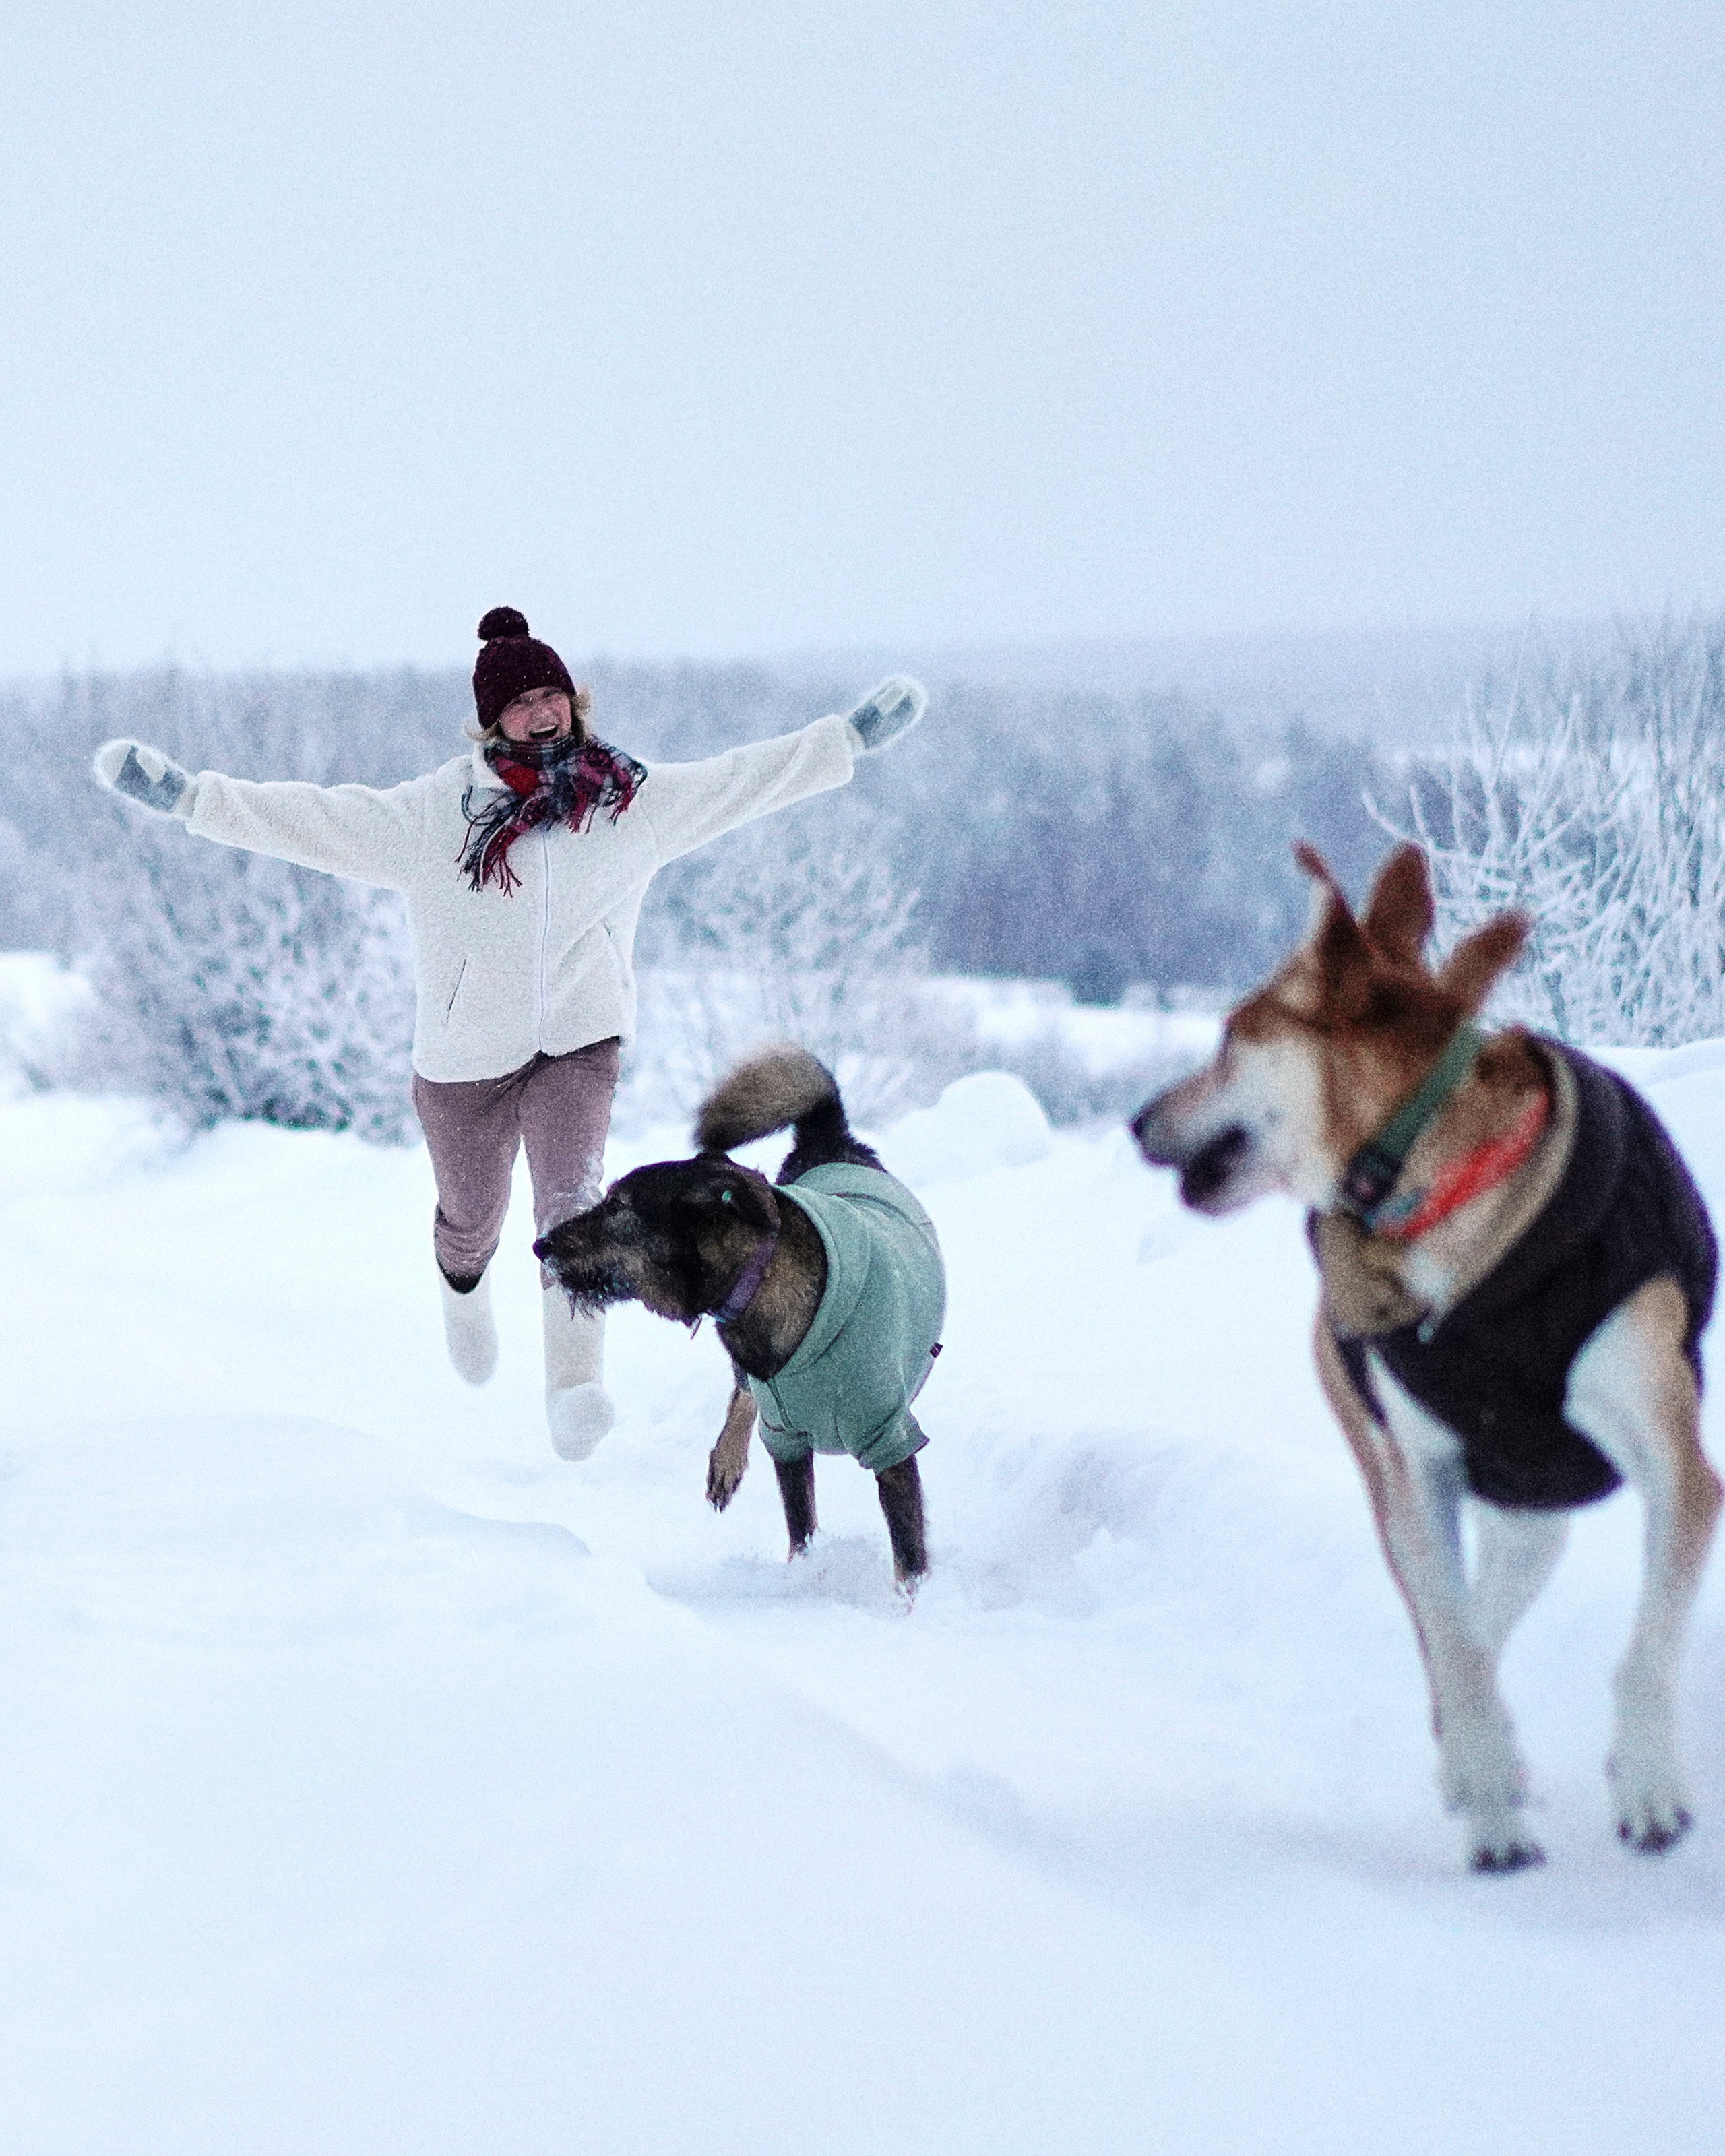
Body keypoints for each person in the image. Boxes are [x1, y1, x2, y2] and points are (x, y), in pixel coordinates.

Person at [93, 605, 926, 1458]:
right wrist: (191, 797)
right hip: (463, 1058)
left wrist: (847, 739)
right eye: (520, 701)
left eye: (551, 694)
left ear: (575, 700)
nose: (541, 713)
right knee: (472, 1216)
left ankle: (574, 1387)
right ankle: (463, 1286)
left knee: (575, 1202)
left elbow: (740, 779)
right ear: (491, 720)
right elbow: (313, 818)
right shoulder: (436, 816)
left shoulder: (628, 801)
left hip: (579, 1039)